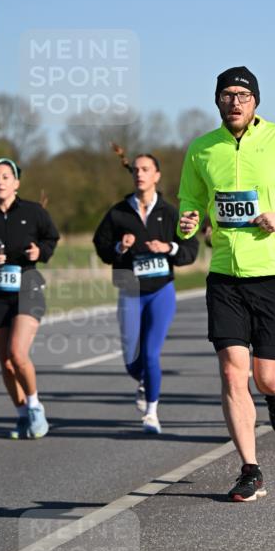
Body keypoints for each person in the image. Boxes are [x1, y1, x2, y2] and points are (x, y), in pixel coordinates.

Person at [177, 66, 275, 502]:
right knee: (232, 372)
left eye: (243, 95)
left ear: (256, 101)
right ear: (217, 101)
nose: (235, 102)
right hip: (225, 274)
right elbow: (190, 200)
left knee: (267, 377)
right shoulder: (202, 149)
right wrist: (188, 221)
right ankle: (250, 469)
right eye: (227, 94)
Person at [93, 153, 199, 434]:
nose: (139, 174)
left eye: (145, 169)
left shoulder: (170, 212)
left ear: (157, 175)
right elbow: (101, 245)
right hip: (129, 291)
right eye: (136, 170)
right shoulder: (118, 213)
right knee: (132, 361)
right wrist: (120, 247)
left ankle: (151, 413)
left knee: (151, 354)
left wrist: (169, 248)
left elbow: (191, 249)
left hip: (161, 291)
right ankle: (143, 381)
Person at [0, 157, 59, 439]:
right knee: (5, 362)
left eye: (5, 176)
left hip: (28, 288)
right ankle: (21, 415)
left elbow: (51, 238)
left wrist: (40, 252)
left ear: (16, 183)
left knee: (17, 354)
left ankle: (34, 406)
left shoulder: (33, 212)